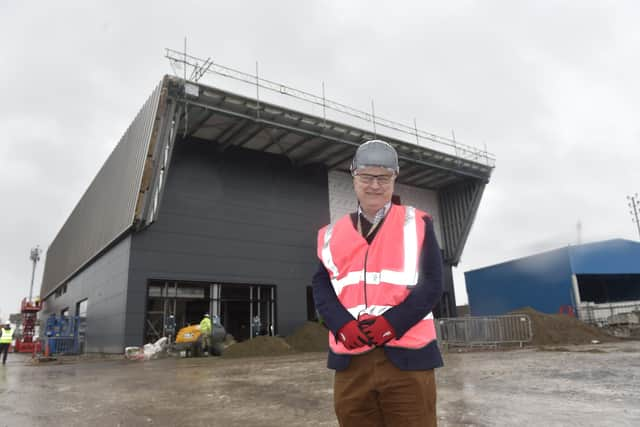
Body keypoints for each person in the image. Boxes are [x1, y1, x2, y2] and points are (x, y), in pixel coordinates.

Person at [312, 140, 444, 427]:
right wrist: (341, 325)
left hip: (408, 357)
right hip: (351, 360)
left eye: (383, 178)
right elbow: (321, 287)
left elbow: (433, 283)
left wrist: (392, 323)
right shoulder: (331, 234)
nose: (374, 185)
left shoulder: (418, 223)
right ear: (354, 178)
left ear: (394, 179)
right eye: (366, 177)